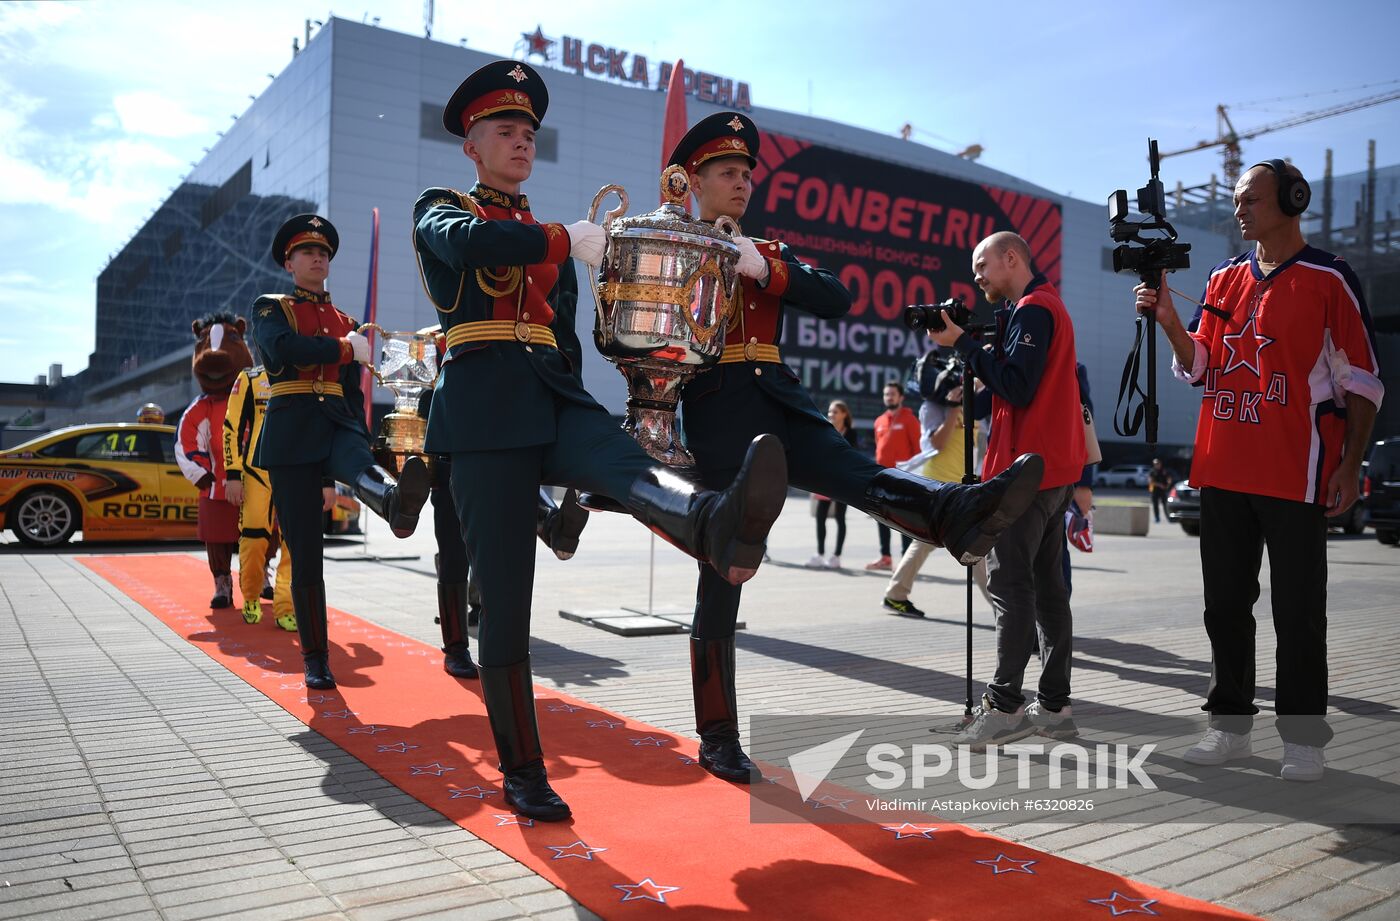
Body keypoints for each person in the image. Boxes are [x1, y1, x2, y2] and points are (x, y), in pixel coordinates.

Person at [413, 62, 791, 822]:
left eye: (528, 133)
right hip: (483, 409)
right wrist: (556, 236)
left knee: (625, 459)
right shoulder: (444, 206)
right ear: (472, 146)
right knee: (510, 604)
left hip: (547, 389)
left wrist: (582, 383)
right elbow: (460, 246)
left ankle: (715, 523)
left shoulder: (547, 234)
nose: (522, 143)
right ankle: (522, 770)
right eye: (506, 132)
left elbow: (559, 331)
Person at [673, 112, 1045, 780]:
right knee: (722, 572)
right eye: (727, 172)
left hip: (782, 400)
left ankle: (962, 511)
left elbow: (838, 295)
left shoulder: (767, 252)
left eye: (747, 173)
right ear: (694, 179)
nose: (742, 183)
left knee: (859, 474)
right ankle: (718, 732)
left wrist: (761, 264)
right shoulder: (671, 243)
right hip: (718, 410)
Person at [1134, 159, 1382, 781]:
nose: (1239, 208)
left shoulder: (1330, 279)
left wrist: (1351, 465)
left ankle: (1302, 742)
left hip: (1295, 473)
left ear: (1293, 200)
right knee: (1225, 607)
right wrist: (1168, 322)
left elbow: (1363, 383)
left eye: (1252, 198)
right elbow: (1199, 366)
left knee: (1298, 611)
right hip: (1220, 468)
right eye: (1238, 199)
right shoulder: (1221, 280)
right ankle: (1230, 729)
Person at [252, 214, 432, 692]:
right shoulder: (272, 308)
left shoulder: (348, 322)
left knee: (361, 463)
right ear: (290, 263)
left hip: (335, 420)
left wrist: (355, 434)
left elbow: (352, 392)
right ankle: (315, 658)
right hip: (291, 429)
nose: (318, 259)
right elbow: (282, 349)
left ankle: (394, 501)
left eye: (324, 253)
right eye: (308, 253)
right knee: (306, 554)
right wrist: (344, 350)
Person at [930, 231, 1086, 750]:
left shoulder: (1036, 309)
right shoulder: (1042, 308)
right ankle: (1056, 705)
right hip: (1052, 469)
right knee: (1047, 590)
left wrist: (967, 346)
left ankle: (1003, 706)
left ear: (1012, 258)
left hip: (1028, 473)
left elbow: (1017, 386)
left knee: (1010, 589)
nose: (976, 276)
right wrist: (984, 344)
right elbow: (1023, 380)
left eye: (982, 265)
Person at [415, 325, 589, 680]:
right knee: (453, 558)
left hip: (497, 452)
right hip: (453, 462)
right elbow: (425, 411)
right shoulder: (447, 361)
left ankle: (555, 526)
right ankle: (455, 648)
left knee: (506, 544)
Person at [882, 351, 985, 618]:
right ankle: (1008, 616)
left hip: (963, 486)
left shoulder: (975, 405)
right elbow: (936, 445)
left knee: (927, 543)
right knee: (977, 549)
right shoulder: (933, 407)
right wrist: (952, 411)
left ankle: (895, 594)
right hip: (938, 486)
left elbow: (976, 446)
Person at [176, 314, 254, 610]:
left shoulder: (257, 397)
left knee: (261, 533)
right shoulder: (200, 409)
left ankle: (261, 577)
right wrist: (202, 475)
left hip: (256, 484)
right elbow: (186, 442)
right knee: (216, 539)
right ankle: (222, 583)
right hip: (215, 488)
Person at [223, 362, 294, 630]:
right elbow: (231, 426)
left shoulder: (303, 372)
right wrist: (232, 475)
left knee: (294, 545)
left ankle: (286, 606)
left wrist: (324, 479)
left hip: (294, 473)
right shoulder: (250, 378)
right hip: (256, 473)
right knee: (253, 540)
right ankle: (251, 596)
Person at [866, 382, 921, 570]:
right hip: (882, 477)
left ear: (901, 397)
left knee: (903, 520)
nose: (888, 397)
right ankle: (885, 557)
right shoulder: (879, 421)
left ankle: (906, 560)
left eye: (892, 394)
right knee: (881, 516)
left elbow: (918, 450)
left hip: (904, 479)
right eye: (886, 394)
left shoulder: (910, 419)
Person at [808, 400, 858, 569]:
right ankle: (820, 554)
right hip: (824, 479)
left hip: (843, 481)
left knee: (840, 518)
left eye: (835, 412)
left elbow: (852, 456)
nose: (831, 415)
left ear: (844, 414)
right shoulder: (825, 430)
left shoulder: (851, 433)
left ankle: (836, 556)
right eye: (830, 412)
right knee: (820, 518)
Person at [1147, 459, 1172, 524]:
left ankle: (1168, 517)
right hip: (1155, 490)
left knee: (1165, 504)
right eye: (1155, 464)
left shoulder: (1164, 471)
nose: (1156, 465)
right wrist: (1159, 485)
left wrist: (1168, 485)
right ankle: (1157, 517)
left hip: (1163, 491)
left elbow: (1169, 479)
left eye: (1157, 463)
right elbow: (1150, 481)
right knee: (1155, 505)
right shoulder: (1152, 471)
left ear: (1160, 464)